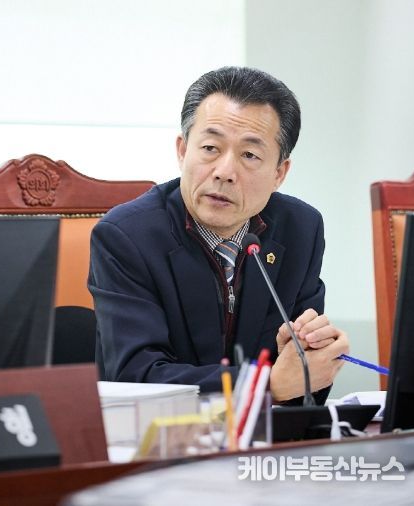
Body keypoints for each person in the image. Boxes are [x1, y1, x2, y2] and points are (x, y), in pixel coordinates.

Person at [88, 66, 349, 404]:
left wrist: (313, 358)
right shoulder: (126, 236)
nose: (224, 172)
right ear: (183, 151)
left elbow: (300, 389)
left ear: (279, 173)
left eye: (249, 155)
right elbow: (137, 378)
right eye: (210, 148)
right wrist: (262, 385)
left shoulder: (301, 229)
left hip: (264, 435)